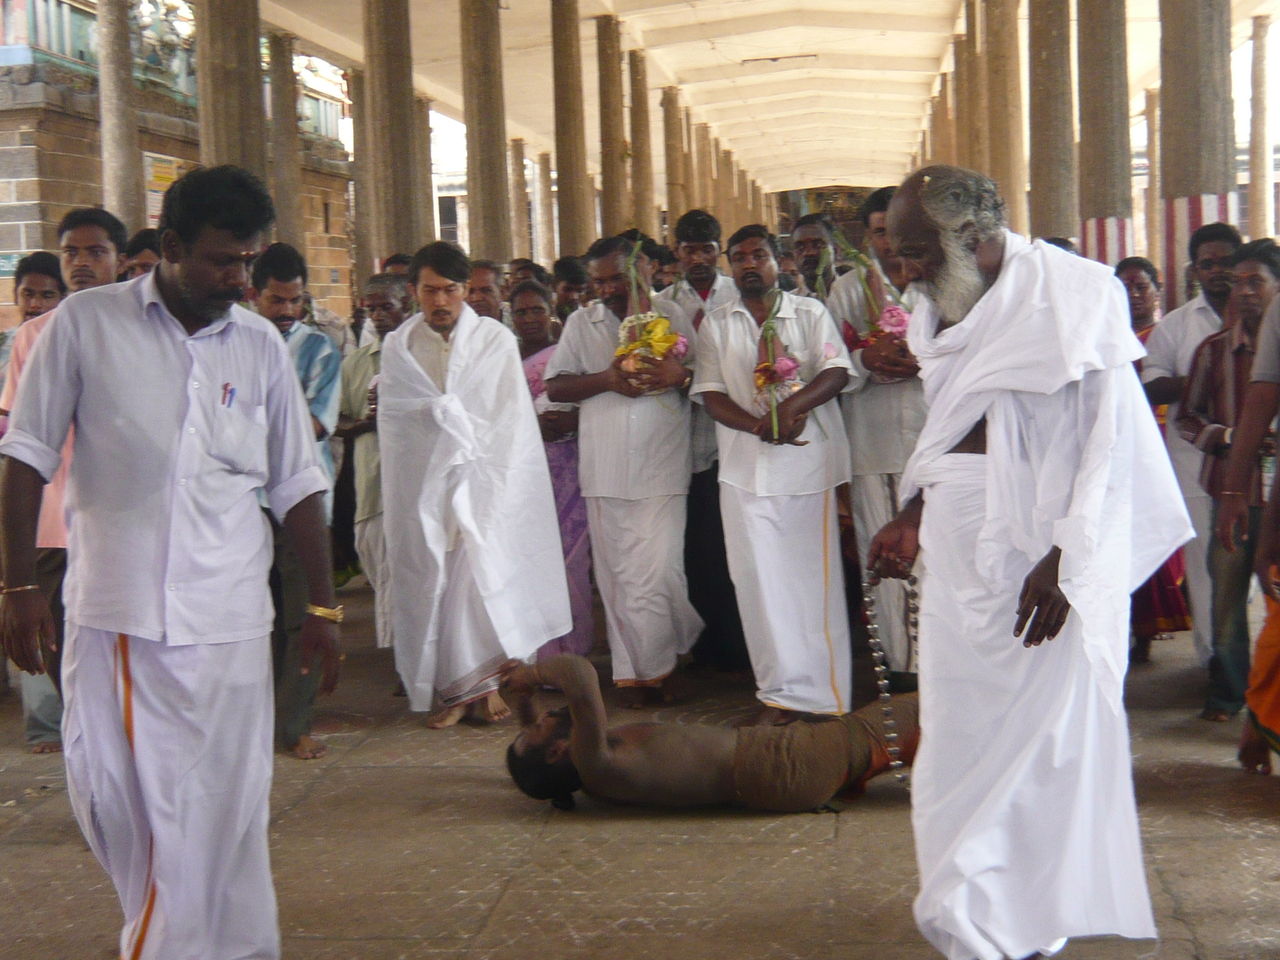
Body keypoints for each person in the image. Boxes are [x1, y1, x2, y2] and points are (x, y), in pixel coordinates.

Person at [0, 164, 339, 960]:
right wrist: (17, 586)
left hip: (228, 623)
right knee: (125, 812)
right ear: (172, 248)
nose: (241, 278)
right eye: (225, 260)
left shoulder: (258, 344)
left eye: (251, 261)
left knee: (227, 812)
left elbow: (296, 482)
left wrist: (323, 607)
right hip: (121, 621)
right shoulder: (84, 325)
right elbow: (24, 456)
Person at [868, 166, 1190, 960]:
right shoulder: (931, 307)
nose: (903, 271)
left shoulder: (1079, 292)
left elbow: (1109, 439)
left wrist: (1067, 555)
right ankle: (962, 899)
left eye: (915, 252)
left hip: (1051, 543)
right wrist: (913, 514)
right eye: (896, 254)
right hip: (959, 531)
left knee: (1045, 733)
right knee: (956, 727)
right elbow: (950, 429)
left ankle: (1027, 910)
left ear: (971, 238)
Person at [380, 242, 571, 728]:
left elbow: (509, 421)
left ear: (465, 290)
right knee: (435, 580)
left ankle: (484, 688)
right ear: (413, 292)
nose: (440, 301)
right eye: (429, 291)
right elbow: (398, 421)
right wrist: (437, 419)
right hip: (425, 484)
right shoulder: (399, 347)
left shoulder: (494, 341)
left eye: (449, 290)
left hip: (489, 479)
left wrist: (471, 451)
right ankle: (455, 689)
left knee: (479, 579)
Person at [692, 225, 854, 724]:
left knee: (811, 584)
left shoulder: (809, 313)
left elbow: (836, 372)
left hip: (807, 468)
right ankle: (779, 694)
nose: (747, 264)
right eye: (737, 257)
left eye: (757, 255)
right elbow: (711, 392)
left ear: (776, 260)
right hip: (745, 471)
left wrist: (792, 410)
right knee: (756, 584)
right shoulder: (717, 324)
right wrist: (758, 427)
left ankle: (824, 698)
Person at [545, 235, 703, 706]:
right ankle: (638, 673)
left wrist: (680, 376)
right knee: (617, 578)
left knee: (660, 573)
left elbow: (701, 377)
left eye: (619, 278)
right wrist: (608, 380)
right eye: (600, 281)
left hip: (662, 464)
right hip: (605, 466)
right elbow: (556, 386)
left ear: (646, 271)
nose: (610, 289)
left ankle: (665, 657)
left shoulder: (673, 316)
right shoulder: (581, 321)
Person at [1, 210, 126, 756]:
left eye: (96, 252)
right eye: (72, 252)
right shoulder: (32, 337)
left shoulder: (138, 329)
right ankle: (89, 752)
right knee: (57, 653)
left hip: (118, 520)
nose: (82, 263)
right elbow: (22, 441)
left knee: (121, 654)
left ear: (118, 261)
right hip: (54, 519)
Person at [503, 654, 919, 812]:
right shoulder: (595, 762)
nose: (543, 716)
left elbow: (534, 745)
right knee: (930, 708)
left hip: (780, 766)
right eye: (539, 726)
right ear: (559, 750)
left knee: (918, 729)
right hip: (789, 763)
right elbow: (579, 674)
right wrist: (532, 674)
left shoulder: (587, 773)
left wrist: (518, 696)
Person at [826, 185, 927, 678]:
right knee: (885, 557)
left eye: (898, 231)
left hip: (935, 443)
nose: (890, 243)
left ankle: (943, 666)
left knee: (940, 558)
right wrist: (866, 359)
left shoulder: (941, 282)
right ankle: (903, 670)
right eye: (880, 233)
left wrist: (923, 360)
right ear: (867, 238)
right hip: (874, 444)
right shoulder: (848, 289)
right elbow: (827, 366)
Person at [1177, 239, 1280, 720]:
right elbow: (1187, 417)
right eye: (1238, 283)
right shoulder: (1214, 352)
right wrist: (1228, 437)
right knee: (1227, 598)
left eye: (1255, 281)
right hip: (1232, 493)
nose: (1244, 292)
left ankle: (1268, 704)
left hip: (1275, 492)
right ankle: (1230, 695)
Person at [250, 242, 341, 760]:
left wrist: (249, 432)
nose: (286, 312)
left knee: (304, 614)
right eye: (275, 301)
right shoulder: (236, 341)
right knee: (251, 617)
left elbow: (312, 427)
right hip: (246, 504)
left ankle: (296, 725)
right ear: (253, 295)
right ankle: (255, 722)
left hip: (304, 502)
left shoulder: (320, 349)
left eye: (294, 301)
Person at [1142, 222, 1243, 667]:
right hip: (1196, 466)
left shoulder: (1268, 316)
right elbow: (1150, 385)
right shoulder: (1177, 327)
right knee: (1206, 569)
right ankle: (1216, 664)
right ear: (1194, 270)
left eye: (1226, 262)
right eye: (1208, 264)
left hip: (1261, 465)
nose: (1217, 271)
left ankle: (1261, 671)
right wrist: (1204, 381)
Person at [654, 209, 748, 673]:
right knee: (696, 551)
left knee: (732, 546)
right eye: (689, 250)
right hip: (683, 446)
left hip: (734, 439)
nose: (698, 258)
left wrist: (686, 377)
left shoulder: (741, 296)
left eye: (707, 249)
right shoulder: (661, 304)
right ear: (677, 252)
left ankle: (741, 645)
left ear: (719, 251)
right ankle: (708, 647)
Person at [511, 279, 595, 658]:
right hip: (525, 475)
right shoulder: (504, 358)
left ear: (551, 312)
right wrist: (530, 425)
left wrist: (573, 423)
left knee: (571, 563)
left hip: (570, 470)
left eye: (536, 310)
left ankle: (571, 653)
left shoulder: (568, 356)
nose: (529, 319)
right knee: (531, 565)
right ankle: (539, 656)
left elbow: (595, 401)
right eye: (520, 312)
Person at [1115, 256, 1191, 663]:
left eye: (1141, 286)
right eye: (1124, 287)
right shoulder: (1104, 338)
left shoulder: (1164, 336)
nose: (1133, 295)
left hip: (1162, 444)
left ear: (1157, 292)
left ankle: (1145, 636)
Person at [335, 272, 413, 651]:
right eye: (373, 309)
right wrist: (364, 423)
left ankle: (409, 656)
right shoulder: (355, 364)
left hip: (415, 486)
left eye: (388, 307)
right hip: (373, 485)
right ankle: (403, 653)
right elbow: (337, 419)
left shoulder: (422, 354)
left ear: (407, 306)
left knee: (412, 575)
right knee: (382, 569)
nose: (379, 316)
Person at [790, 212, 837, 299]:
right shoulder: (788, 305)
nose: (808, 252)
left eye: (818, 245)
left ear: (836, 249)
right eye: (800, 247)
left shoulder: (856, 294)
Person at [466, 258, 507, 323]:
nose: (477, 298)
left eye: (486, 291)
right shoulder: (453, 327)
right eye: (470, 292)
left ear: (502, 293)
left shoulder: (519, 322)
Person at [552, 255, 589, 322]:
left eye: (580, 291)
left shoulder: (589, 320)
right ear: (554, 286)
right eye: (567, 290)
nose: (574, 297)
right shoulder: (544, 320)